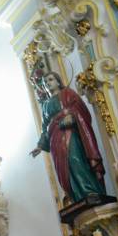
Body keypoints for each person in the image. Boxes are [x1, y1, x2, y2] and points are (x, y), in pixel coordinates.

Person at [30, 71, 106, 204]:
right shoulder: (46, 105)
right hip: (55, 139)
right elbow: (44, 128)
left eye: (50, 80)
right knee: (64, 170)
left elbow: (81, 109)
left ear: (58, 81)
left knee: (75, 160)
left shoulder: (68, 93)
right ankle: (76, 196)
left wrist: (72, 115)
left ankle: (89, 191)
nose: (48, 83)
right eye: (45, 82)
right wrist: (40, 146)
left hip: (69, 133)